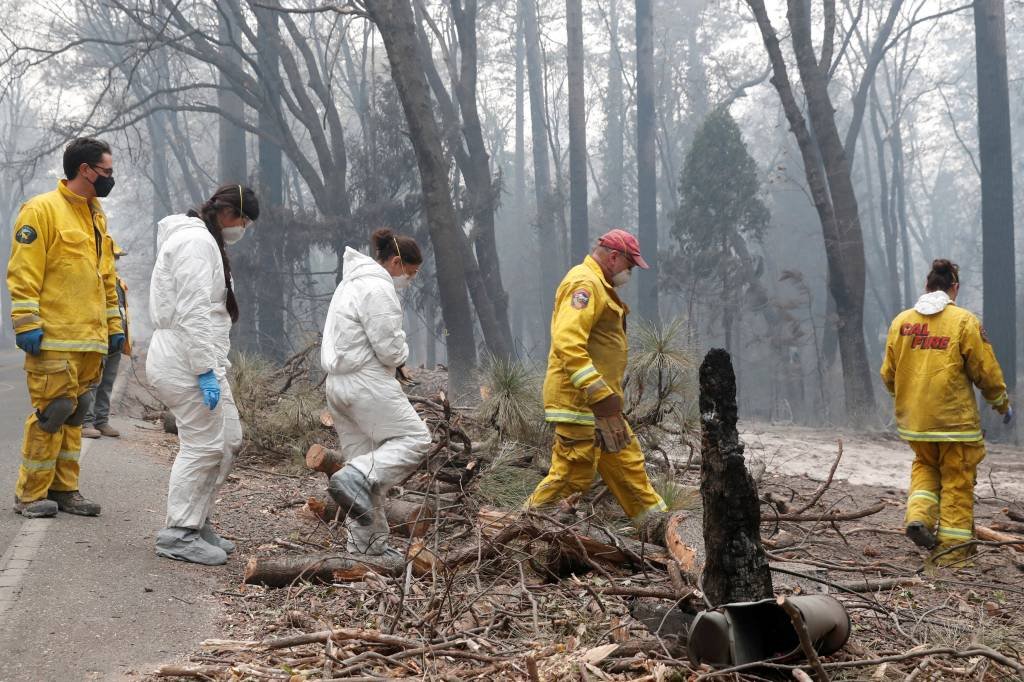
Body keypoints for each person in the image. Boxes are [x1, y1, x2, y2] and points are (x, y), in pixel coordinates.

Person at [7, 137, 124, 518]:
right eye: (106, 171)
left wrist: (113, 324)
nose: (110, 178)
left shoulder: (95, 216)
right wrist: (26, 322)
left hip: (89, 340)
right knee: (53, 412)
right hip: (52, 337)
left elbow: (105, 276)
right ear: (85, 170)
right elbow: (23, 273)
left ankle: (64, 489)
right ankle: (29, 494)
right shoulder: (41, 211)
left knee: (76, 415)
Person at [147, 184, 259, 565]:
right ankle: (179, 531)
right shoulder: (195, 244)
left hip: (198, 356)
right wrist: (204, 371)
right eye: (244, 220)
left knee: (228, 440)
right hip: (185, 358)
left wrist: (212, 366)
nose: (243, 228)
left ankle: (197, 521)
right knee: (203, 445)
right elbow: (193, 313)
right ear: (230, 214)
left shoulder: (207, 241)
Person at [524, 229, 667, 520]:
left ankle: (659, 527)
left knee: (629, 469)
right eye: (630, 266)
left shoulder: (599, 285)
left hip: (602, 407)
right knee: (571, 476)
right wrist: (597, 392)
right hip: (579, 405)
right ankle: (520, 534)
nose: (630, 274)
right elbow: (567, 341)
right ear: (614, 257)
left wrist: (604, 398)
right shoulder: (584, 283)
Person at [881, 259, 1012, 565]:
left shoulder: (901, 323)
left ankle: (919, 519)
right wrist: (1002, 404)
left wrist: (908, 399)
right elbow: (986, 372)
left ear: (927, 286)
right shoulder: (964, 322)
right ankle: (952, 554)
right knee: (956, 481)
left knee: (926, 469)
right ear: (955, 288)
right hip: (955, 423)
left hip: (916, 423)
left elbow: (888, 374)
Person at [321, 228, 432, 557]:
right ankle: (352, 476)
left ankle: (366, 551)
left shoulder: (350, 284)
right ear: (396, 262)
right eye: (409, 274)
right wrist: (402, 357)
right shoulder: (378, 286)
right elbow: (388, 347)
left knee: (365, 467)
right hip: (365, 381)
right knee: (415, 440)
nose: (408, 281)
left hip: (337, 385)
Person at [83, 241, 130, 439]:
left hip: (115, 339)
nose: (116, 261)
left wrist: (123, 335)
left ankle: (101, 421)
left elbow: (122, 312)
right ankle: (85, 421)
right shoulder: (94, 279)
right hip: (98, 337)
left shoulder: (118, 283)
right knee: (92, 381)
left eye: (117, 258)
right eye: (114, 257)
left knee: (107, 381)